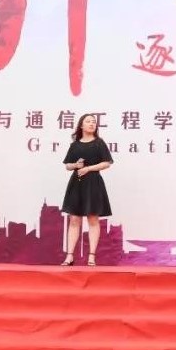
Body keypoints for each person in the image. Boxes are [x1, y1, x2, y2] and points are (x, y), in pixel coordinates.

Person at [61, 114, 113, 266]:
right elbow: (67, 165)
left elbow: (107, 163)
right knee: (74, 219)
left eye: (94, 122)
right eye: (88, 121)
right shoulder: (75, 145)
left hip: (93, 183)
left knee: (93, 219)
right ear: (81, 126)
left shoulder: (99, 143)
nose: (92, 124)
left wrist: (88, 168)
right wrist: (76, 166)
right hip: (76, 184)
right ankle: (69, 256)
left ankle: (91, 256)